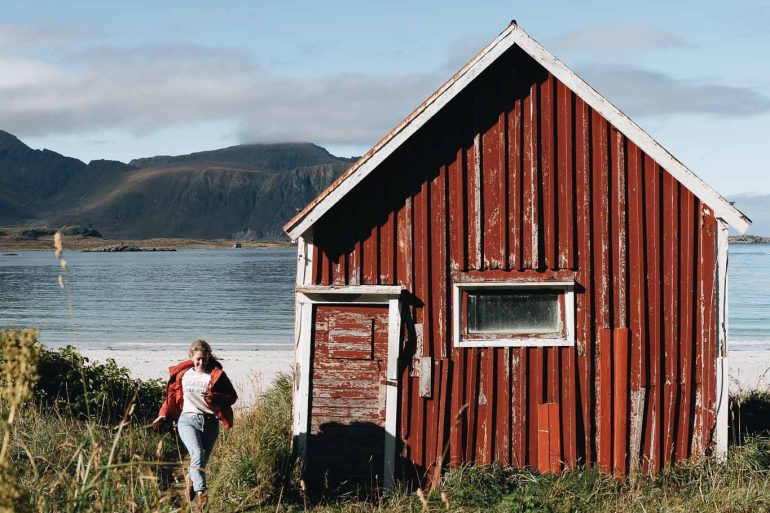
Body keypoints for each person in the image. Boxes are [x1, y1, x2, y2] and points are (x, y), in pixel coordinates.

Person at [153, 340, 237, 508]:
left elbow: (232, 397)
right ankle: (201, 493)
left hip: (210, 423)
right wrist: (163, 414)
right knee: (197, 453)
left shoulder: (217, 375)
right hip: (187, 420)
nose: (201, 362)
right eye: (198, 358)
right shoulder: (183, 374)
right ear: (191, 357)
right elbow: (171, 397)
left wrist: (215, 397)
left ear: (208, 357)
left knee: (201, 461)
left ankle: (191, 478)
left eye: (204, 359)